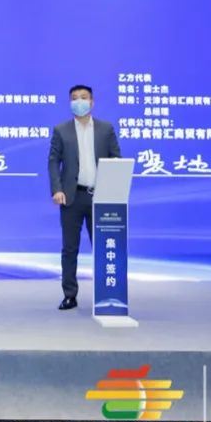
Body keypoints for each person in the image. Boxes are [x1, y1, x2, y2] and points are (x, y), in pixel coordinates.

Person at [47, 84, 121, 310]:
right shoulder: (61, 130)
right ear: (70, 103)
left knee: (103, 246)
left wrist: (114, 189)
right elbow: (53, 161)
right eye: (75, 98)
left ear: (92, 102)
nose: (79, 101)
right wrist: (57, 189)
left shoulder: (105, 129)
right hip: (72, 197)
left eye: (83, 97)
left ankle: (107, 292)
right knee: (70, 248)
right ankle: (70, 294)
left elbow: (116, 159)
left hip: (100, 196)